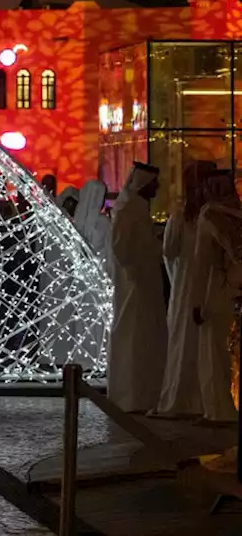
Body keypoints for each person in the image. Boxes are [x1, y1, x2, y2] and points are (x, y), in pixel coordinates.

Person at [108, 162, 166, 413]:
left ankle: (145, 395)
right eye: (153, 183)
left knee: (146, 337)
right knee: (133, 336)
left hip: (145, 282)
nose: (157, 188)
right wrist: (134, 274)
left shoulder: (138, 207)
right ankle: (130, 397)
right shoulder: (128, 208)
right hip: (135, 285)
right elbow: (121, 247)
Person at [155, 163, 211, 417]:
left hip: (187, 283)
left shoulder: (184, 216)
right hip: (203, 284)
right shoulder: (201, 216)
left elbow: (169, 251)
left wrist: (176, 275)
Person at [195, 171, 242, 423]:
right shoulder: (236, 212)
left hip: (216, 290)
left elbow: (202, 261)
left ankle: (218, 411)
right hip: (236, 290)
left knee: (213, 353)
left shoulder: (210, 215)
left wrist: (196, 301)